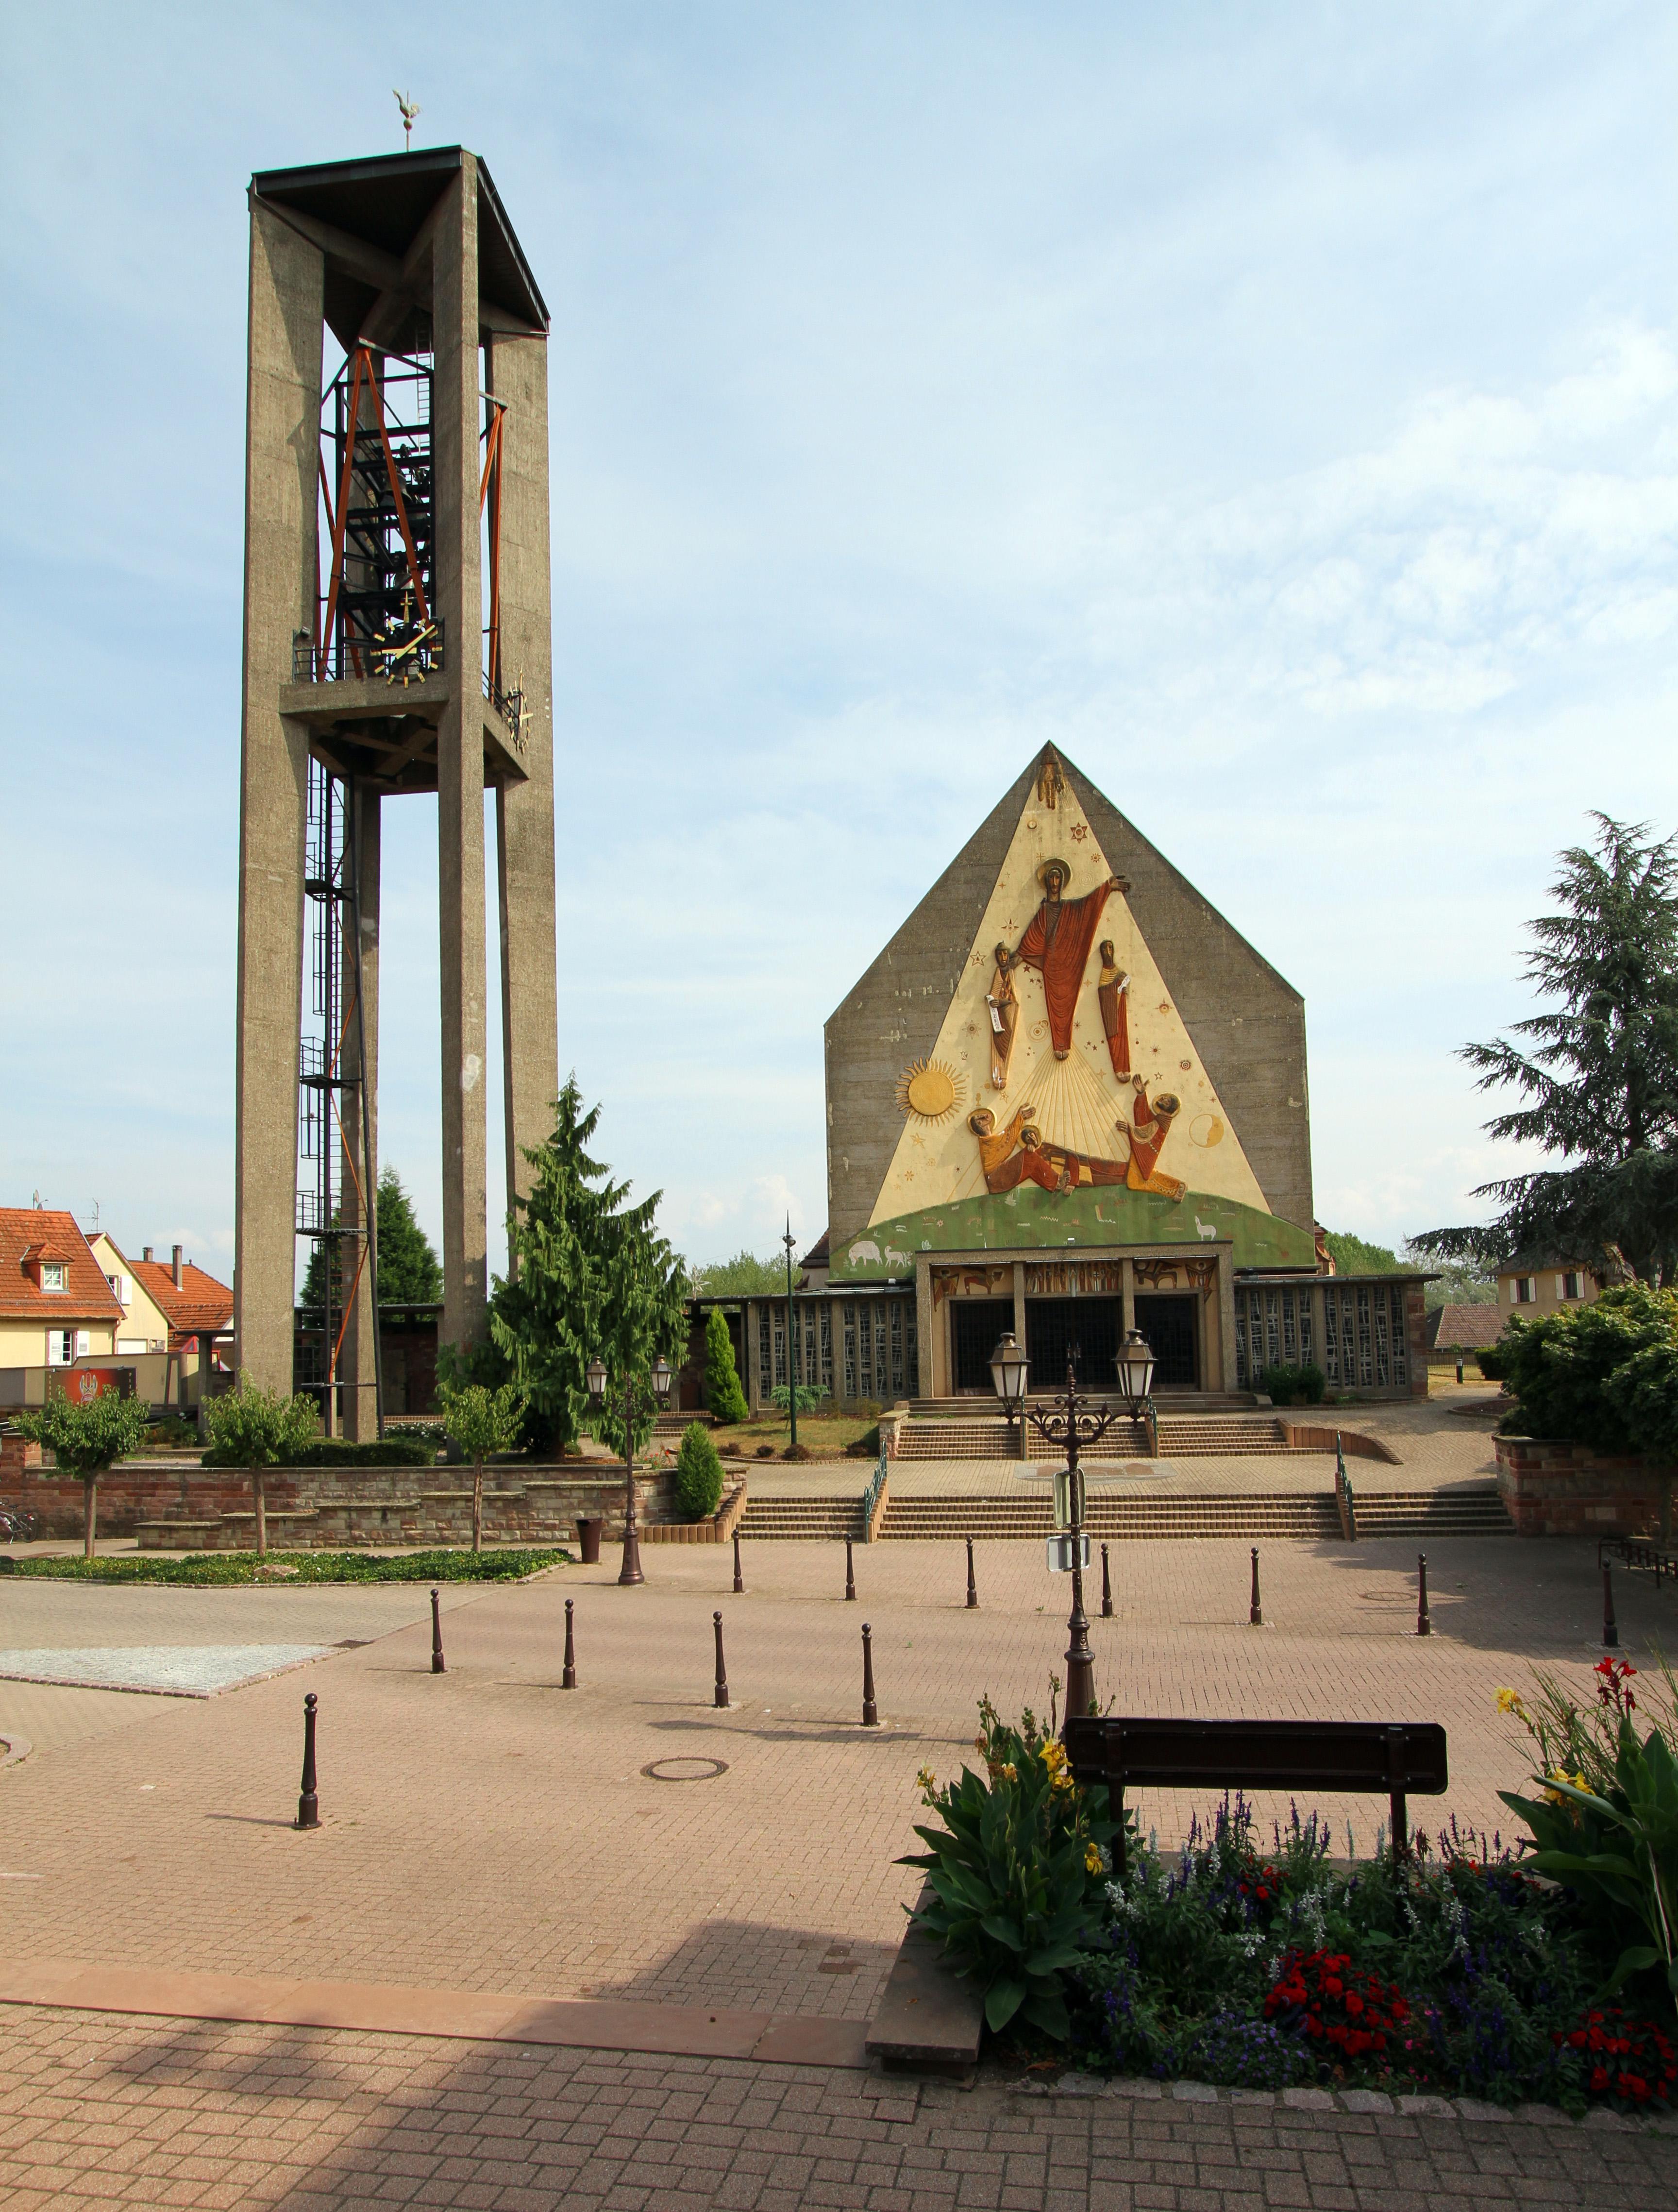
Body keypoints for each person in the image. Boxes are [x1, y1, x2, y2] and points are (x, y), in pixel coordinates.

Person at [1007, 860, 1127, 1058]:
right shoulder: (1044, 911)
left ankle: (1064, 1044)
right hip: (1052, 965)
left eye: (1057, 878)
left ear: (1062, 882)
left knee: (1069, 1005)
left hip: (1069, 963)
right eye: (1051, 878)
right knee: (1054, 1005)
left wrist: (1107, 887)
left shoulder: (1071, 909)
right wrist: (1020, 955)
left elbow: (1087, 906)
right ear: (1046, 882)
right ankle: (1059, 1044)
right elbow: (1034, 935)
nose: (1054, 882)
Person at [969, 1106, 1061, 1195]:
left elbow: (1007, 1137)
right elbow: (1008, 1139)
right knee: (1029, 1156)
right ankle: (1057, 1182)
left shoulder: (990, 1140)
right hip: (995, 1179)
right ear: (980, 1124)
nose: (984, 1115)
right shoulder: (987, 1142)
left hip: (997, 1176)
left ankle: (1055, 1182)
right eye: (979, 1118)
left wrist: (1020, 1118)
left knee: (1031, 1162)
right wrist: (1020, 1118)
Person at [1122, 1078, 1185, 1200]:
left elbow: (1147, 1133)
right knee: (1134, 1181)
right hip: (1142, 1148)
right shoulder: (1159, 1117)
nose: (1162, 1100)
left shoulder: (1164, 1120)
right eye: (1163, 1098)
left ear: (1169, 1108)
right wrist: (1141, 1094)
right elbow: (1142, 1120)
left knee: (1137, 1181)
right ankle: (1176, 1188)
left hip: (1147, 1151)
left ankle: (1177, 1187)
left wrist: (1130, 1130)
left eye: (1166, 1102)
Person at [984, 940, 1018, 1091]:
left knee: (1007, 1043)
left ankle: (1003, 1076)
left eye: (1005, 954)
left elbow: (1014, 1000)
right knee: (997, 1044)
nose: (1003, 957)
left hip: (1008, 1011)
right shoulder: (998, 972)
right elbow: (994, 993)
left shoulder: (1010, 972)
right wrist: (992, 1000)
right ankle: (998, 1075)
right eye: (1000, 954)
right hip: (997, 1015)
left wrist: (1003, 1002)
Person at [1096, 941, 1131, 1077]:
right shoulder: (1104, 975)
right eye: (1105, 949)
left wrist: (1123, 984)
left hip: (1120, 1010)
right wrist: (1115, 987)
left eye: (1111, 948)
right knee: (1114, 1039)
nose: (1108, 951)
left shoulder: (1119, 972)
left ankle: (1125, 1066)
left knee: (1123, 1036)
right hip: (1110, 1013)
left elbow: (1124, 986)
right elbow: (1103, 993)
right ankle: (1118, 1068)